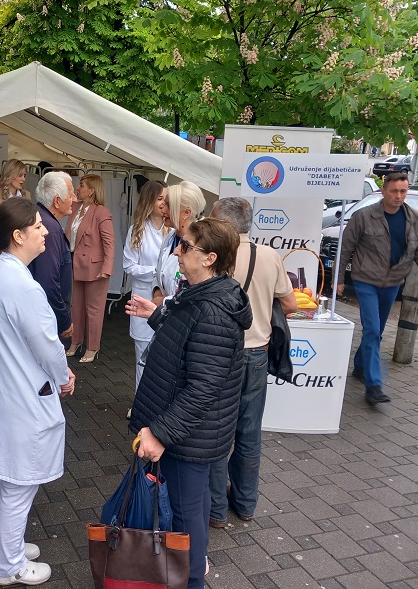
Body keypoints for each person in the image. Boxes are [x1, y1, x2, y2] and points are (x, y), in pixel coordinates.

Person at [125, 218, 252, 589]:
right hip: (187, 433)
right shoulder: (202, 295)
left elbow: (202, 388)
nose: (177, 251)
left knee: (186, 518)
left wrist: (160, 433)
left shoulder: (213, 311)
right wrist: (158, 314)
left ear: (210, 258)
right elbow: (189, 338)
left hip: (188, 438)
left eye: (186, 246)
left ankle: (190, 580)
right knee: (184, 514)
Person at [0, 197, 75, 587]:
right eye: (37, 226)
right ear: (18, 236)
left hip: (3, 395)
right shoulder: (23, 287)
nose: (45, 231)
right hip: (22, 398)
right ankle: (10, 565)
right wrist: (64, 373)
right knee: (18, 486)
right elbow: (48, 346)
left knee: (2, 479)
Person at [207, 197, 297, 528]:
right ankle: (245, 504)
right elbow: (288, 303)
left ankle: (215, 510)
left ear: (223, 223)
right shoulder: (269, 255)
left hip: (219, 355)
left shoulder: (213, 256)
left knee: (217, 433)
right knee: (249, 432)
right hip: (256, 355)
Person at [337, 171, 418, 404]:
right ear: (383, 191)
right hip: (366, 281)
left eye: (403, 191)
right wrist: (339, 279)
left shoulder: (415, 219)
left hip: (392, 283)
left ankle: (361, 366)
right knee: (372, 330)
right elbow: (345, 249)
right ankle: (374, 385)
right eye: (394, 191)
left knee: (377, 331)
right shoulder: (364, 216)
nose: (399, 196)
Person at [122, 180, 168, 417]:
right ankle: (141, 405)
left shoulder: (173, 232)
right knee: (143, 356)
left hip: (167, 303)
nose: (164, 204)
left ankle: (161, 404)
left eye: (166, 199)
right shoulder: (137, 230)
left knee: (166, 355)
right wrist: (157, 272)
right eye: (159, 199)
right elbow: (128, 265)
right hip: (142, 300)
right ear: (149, 202)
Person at [64, 174, 115, 363]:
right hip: (75, 265)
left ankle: (93, 347)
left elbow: (109, 243)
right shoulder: (75, 207)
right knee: (75, 308)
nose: (78, 188)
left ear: (92, 190)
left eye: (82, 185)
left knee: (93, 310)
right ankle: (75, 342)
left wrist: (107, 268)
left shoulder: (101, 212)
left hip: (96, 269)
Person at [29, 171, 76, 339]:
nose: (75, 199)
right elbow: (48, 280)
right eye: (71, 194)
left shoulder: (37, 218)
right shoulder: (50, 229)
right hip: (46, 318)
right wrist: (63, 319)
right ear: (57, 201)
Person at [152, 181, 207, 306]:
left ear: (186, 213)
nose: (162, 208)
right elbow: (158, 272)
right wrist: (157, 293)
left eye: (168, 205)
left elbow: (198, 291)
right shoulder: (170, 237)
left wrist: (164, 301)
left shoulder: (201, 245)